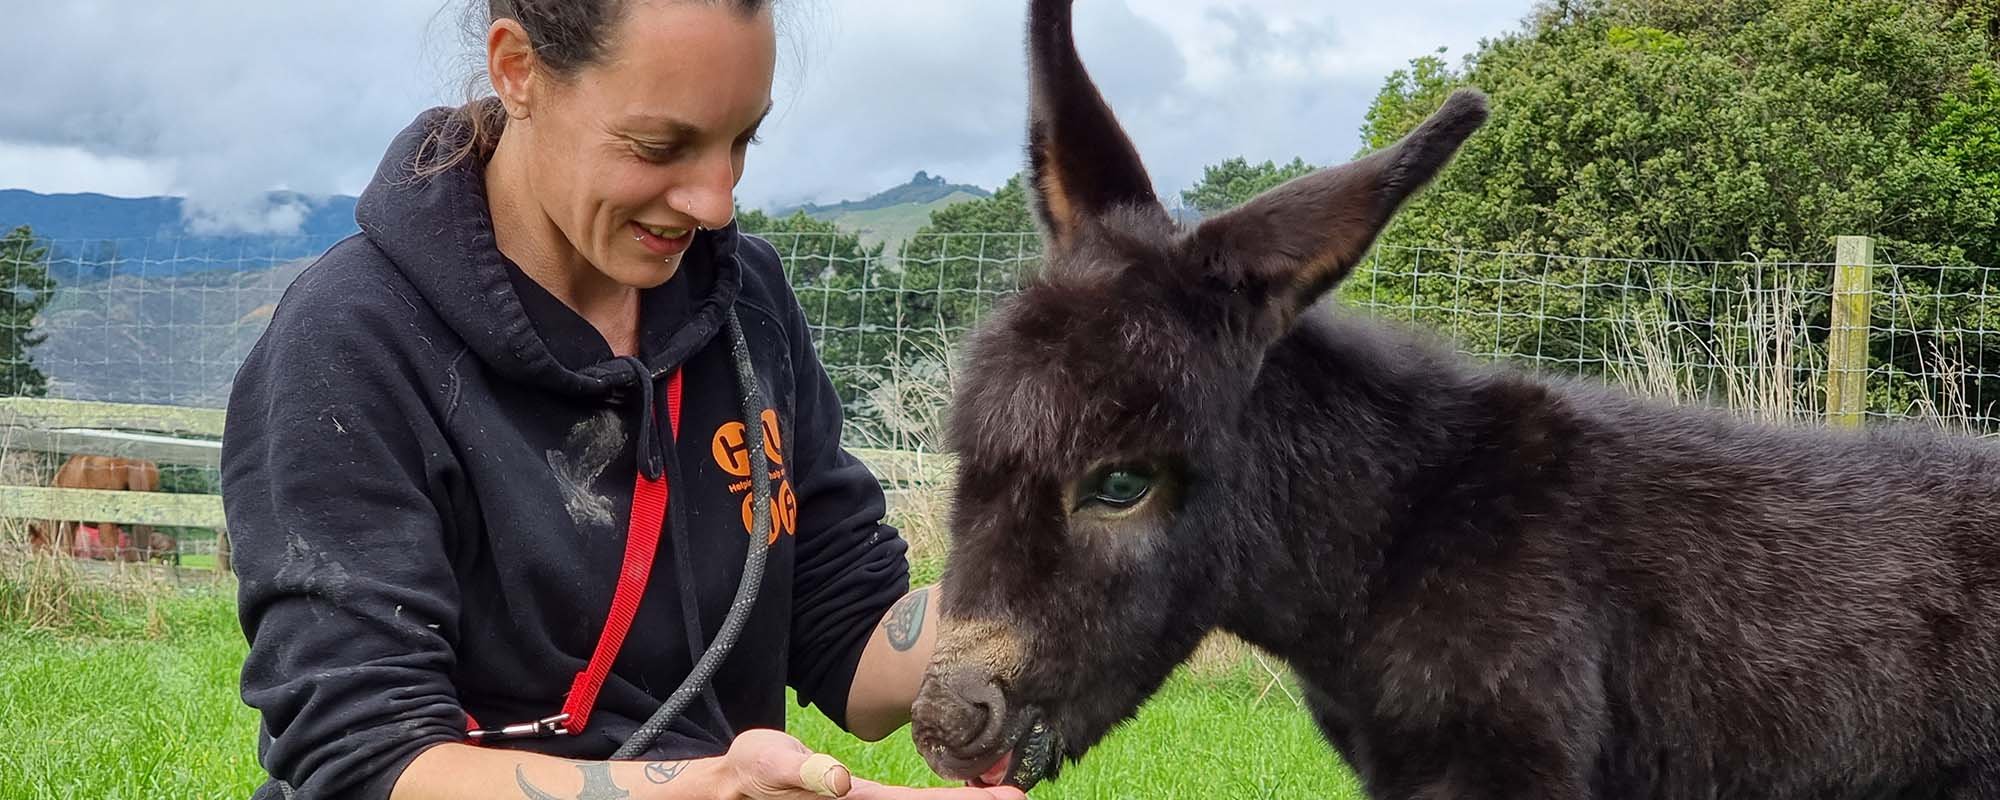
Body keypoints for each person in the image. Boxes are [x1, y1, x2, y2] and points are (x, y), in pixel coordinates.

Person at [219, 2, 1026, 799]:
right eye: (659, 146)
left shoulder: (747, 304)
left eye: (742, 141)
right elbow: (365, 760)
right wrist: (710, 789)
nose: (717, 203)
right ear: (518, 69)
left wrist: (1053, 578)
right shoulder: (352, 341)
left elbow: (847, 635)